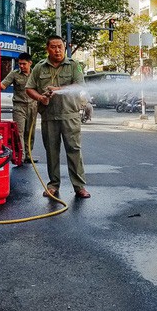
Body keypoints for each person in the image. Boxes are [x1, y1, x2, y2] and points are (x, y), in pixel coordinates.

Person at [25, 35, 91, 199]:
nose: (57, 50)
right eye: (53, 47)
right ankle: (53, 185)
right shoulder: (40, 67)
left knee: (74, 150)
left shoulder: (74, 65)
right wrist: (40, 98)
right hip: (49, 117)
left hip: (70, 115)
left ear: (64, 47)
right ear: (47, 48)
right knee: (52, 153)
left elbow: (79, 85)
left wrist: (58, 88)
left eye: (60, 46)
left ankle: (79, 186)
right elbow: (29, 88)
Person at [1, 53, 38, 164]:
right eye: (20, 64)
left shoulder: (36, 74)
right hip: (19, 106)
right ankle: (20, 157)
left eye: (24, 64)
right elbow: (2, 85)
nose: (21, 66)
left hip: (33, 106)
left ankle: (28, 155)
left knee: (30, 132)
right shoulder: (14, 74)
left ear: (30, 63)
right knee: (19, 132)